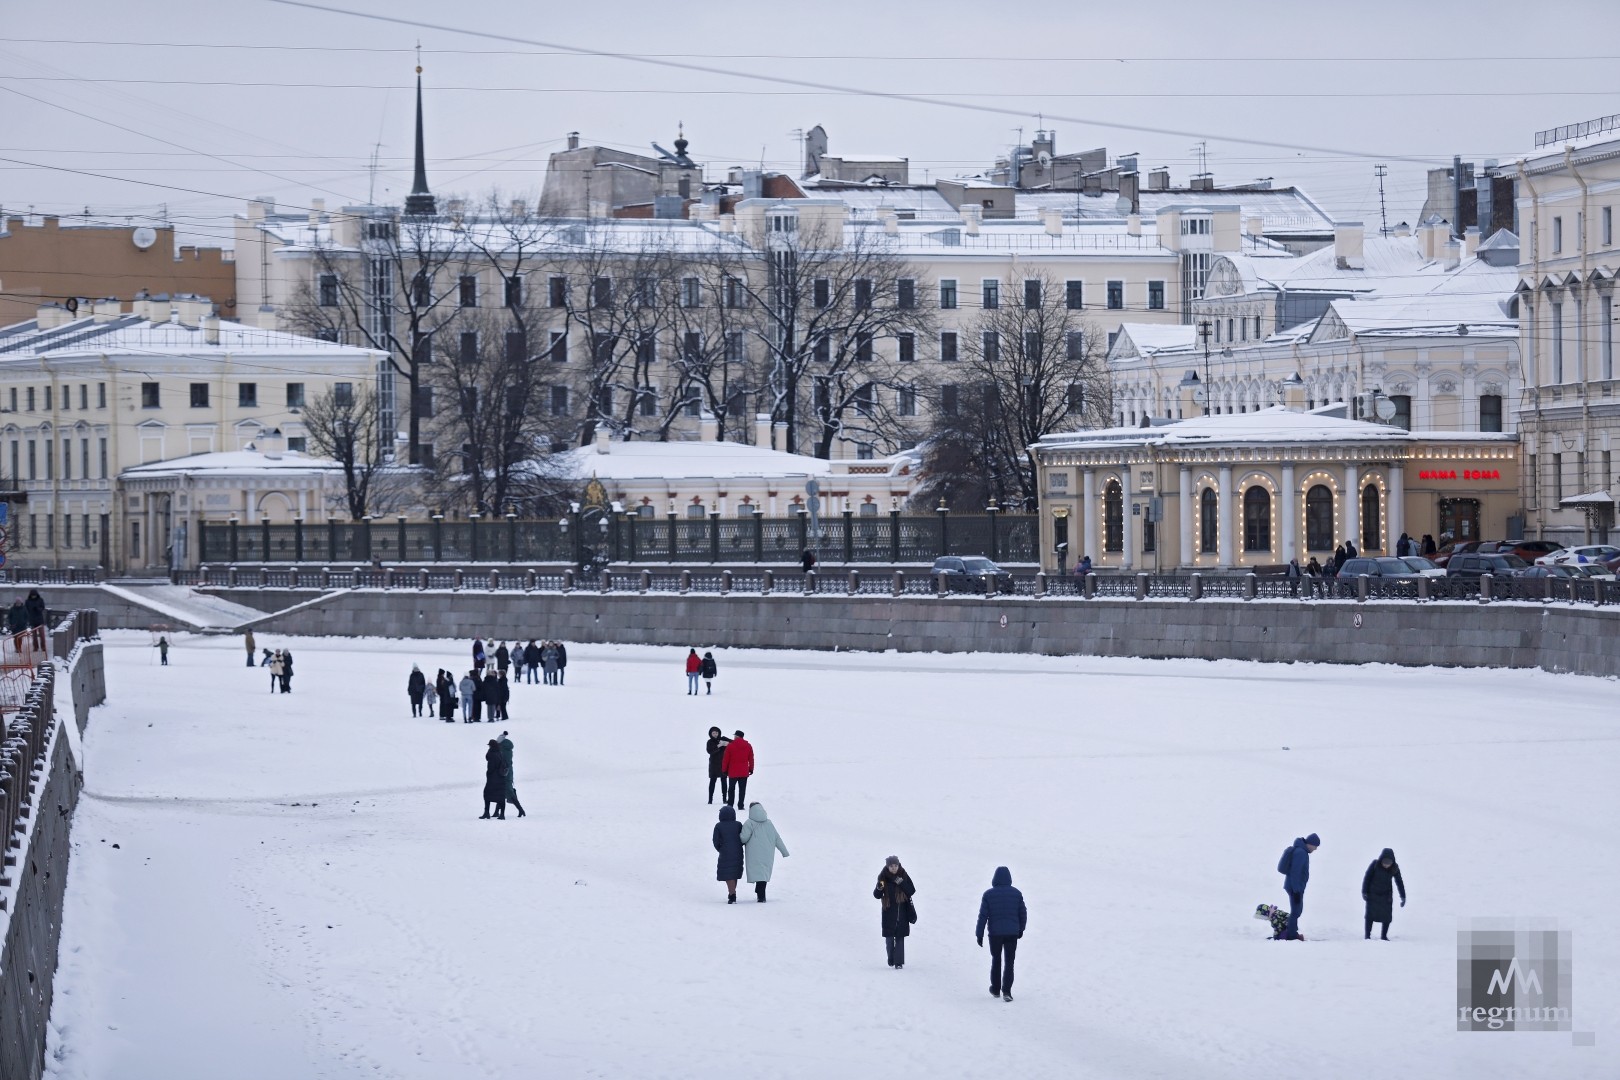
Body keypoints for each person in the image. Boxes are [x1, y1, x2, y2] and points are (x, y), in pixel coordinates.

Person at [976, 866, 1027, 1002]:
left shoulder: (988, 895)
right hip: (1012, 933)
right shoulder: (1016, 894)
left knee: (996, 960)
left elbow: (983, 916)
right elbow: (1023, 913)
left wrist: (979, 934)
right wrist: (1021, 929)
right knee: (1010, 962)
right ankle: (1007, 991)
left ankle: (995, 988)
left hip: (995, 934)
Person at [739, 802, 789, 903]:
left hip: (754, 854)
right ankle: (760, 893)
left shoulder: (749, 823)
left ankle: (761, 896)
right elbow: (777, 838)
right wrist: (784, 852)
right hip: (767, 853)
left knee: (758, 872)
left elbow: (743, 838)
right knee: (763, 873)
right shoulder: (769, 823)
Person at [874, 856, 916, 969]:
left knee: (900, 938)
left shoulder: (903, 875)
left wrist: (901, 882)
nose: (894, 868)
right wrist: (878, 888)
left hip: (902, 911)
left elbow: (911, 890)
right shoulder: (883, 878)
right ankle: (891, 958)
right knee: (889, 939)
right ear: (887, 867)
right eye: (891, 866)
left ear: (898, 865)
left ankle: (898, 962)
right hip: (888, 912)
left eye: (895, 866)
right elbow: (877, 896)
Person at [1277, 832, 1319, 941]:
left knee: (1297, 910)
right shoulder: (1301, 853)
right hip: (1294, 887)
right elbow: (1295, 872)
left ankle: (1291, 932)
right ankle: (1291, 935)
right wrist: (1296, 891)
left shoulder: (1301, 851)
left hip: (1295, 886)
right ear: (1310, 844)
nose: (1315, 849)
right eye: (1315, 846)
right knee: (1296, 911)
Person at [1361, 847, 1406, 940]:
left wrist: (1403, 896)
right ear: (1381, 859)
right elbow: (1367, 878)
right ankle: (1367, 935)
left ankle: (1384, 936)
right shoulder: (1375, 864)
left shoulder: (1394, 868)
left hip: (1386, 896)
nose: (1386, 865)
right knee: (1370, 916)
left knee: (1387, 917)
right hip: (1372, 894)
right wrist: (1364, 891)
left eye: (1389, 863)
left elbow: (1399, 882)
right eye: (1384, 862)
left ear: (1392, 862)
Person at [713, 805, 744, 903]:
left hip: (725, 852)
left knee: (728, 873)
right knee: (734, 872)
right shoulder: (738, 825)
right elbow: (743, 838)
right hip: (738, 851)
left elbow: (715, 841)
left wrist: (721, 849)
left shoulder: (718, 826)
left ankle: (732, 894)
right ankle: (732, 892)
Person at [721, 730, 754, 808]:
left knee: (731, 789)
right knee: (742, 790)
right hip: (744, 772)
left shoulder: (730, 745)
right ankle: (740, 805)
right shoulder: (748, 745)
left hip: (733, 772)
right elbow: (751, 759)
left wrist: (724, 770)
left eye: (734, 736)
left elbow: (726, 759)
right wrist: (751, 769)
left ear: (736, 736)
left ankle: (730, 804)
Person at [498, 731, 526, 818]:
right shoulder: (507, 749)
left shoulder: (503, 750)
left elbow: (502, 762)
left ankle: (521, 810)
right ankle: (496, 812)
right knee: (501, 792)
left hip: (505, 773)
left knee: (508, 792)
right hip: (507, 772)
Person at [480, 739, 508, 819]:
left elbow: (491, 768)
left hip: (493, 779)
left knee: (487, 794)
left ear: (491, 746)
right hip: (501, 778)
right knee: (501, 797)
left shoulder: (491, 754)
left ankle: (486, 813)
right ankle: (502, 814)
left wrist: (488, 773)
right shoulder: (500, 753)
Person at [705, 728, 731, 805]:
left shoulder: (723, 738)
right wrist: (719, 745)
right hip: (713, 765)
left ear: (719, 733)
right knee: (712, 781)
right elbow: (710, 751)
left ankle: (724, 799)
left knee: (724, 781)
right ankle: (710, 800)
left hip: (723, 764)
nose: (715, 734)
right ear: (711, 734)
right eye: (713, 733)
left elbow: (733, 743)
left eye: (716, 733)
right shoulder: (709, 742)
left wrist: (727, 743)